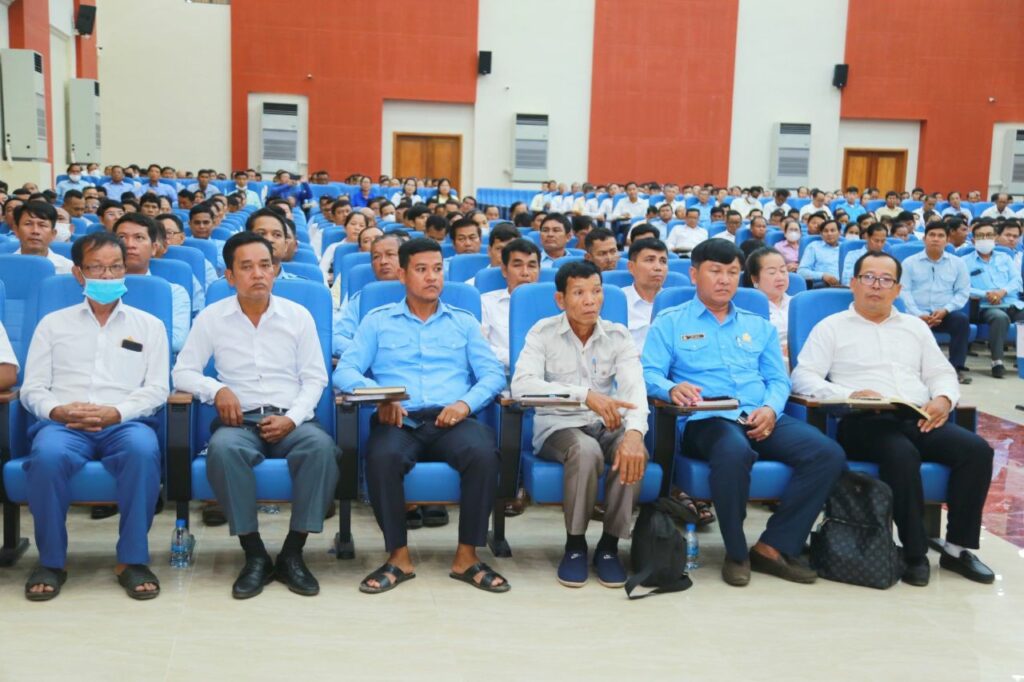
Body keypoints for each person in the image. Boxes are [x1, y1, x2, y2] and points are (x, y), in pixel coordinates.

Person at [642, 239, 844, 587]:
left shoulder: (758, 325)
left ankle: (773, 546)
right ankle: (736, 553)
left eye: (732, 272)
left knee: (827, 453)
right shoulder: (670, 322)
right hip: (707, 420)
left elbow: (777, 379)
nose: (724, 280)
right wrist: (671, 388)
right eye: (715, 271)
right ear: (694, 275)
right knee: (733, 451)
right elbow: (648, 373)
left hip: (760, 415)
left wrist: (770, 409)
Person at [791, 251, 995, 586]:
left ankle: (957, 549)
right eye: (869, 277)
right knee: (901, 454)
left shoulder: (914, 327)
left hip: (916, 416)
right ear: (854, 283)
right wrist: (848, 393)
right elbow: (803, 377)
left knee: (976, 450)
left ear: (898, 289)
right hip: (862, 421)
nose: (876, 285)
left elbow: (941, 372)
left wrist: (943, 398)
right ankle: (914, 553)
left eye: (886, 280)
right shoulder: (831, 327)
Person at [333, 238, 509, 595]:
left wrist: (465, 404)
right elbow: (345, 371)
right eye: (422, 269)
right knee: (382, 457)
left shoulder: (463, 322)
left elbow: (492, 375)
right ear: (402, 275)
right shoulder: (378, 321)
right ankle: (398, 558)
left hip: (452, 418)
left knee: (483, 453)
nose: (432, 277)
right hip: (400, 419)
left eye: (438, 269)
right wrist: (383, 396)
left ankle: (467, 557)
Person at [172, 232, 339, 599]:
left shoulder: (297, 316)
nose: (258, 274)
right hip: (240, 422)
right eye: (246, 267)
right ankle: (255, 554)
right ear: (230, 276)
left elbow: (315, 378)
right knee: (223, 450)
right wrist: (216, 389)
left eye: (265, 265)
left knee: (321, 448)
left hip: (292, 418)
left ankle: (293, 553)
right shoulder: (212, 318)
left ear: (276, 270)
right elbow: (182, 372)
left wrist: (292, 418)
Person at [21, 231, 169, 601]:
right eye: (97, 268)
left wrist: (116, 412)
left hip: (125, 422)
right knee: (47, 457)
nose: (107, 276)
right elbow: (32, 387)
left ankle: (132, 560)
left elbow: (156, 389)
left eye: (115, 267)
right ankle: (51, 562)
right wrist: (57, 410)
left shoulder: (149, 325)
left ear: (125, 271)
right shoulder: (53, 324)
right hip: (65, 423)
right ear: (78, 273)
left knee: (142, 451)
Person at [511, 260, 647, 588]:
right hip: (558, 428)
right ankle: (575, 545)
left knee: (632, 449)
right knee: (586, 451)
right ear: (561, 299)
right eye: (579, 293)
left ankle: (610, 546)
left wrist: (634, 433)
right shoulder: (543, 333)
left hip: (606, 424)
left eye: (596, 291)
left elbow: (635, 390)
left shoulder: (618, 335)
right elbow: (521, 386)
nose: (590, 300)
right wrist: (583, 395)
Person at [898, 223, 972, 383]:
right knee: (902, 321)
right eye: (932, 235)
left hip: (944, 314)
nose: (936, 239)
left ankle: (956, 368)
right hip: (915, 314)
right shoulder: (909, 263)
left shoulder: (958, 264)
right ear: (924, 239)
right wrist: (918, 314)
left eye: (940, 236)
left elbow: (962, 292)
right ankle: (911, 369)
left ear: (947, 240)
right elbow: (904, 291)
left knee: (961, 320)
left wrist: (946, 310)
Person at [113, 213, 190, 353]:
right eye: (122, 237)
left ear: (154, 248)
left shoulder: (173, 292)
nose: (129, 245)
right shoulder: (97, 287)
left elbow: (175, 342)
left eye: (139, 238)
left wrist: (114, 340)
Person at [962, 222, 1024, 378]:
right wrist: (986, 294)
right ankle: (997, 362)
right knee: (999, 317)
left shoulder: (1005, 258)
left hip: (1011, 302)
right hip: (985, 306)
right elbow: (963, 287)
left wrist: (1002, 292)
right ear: (973, 240)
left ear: (995, 238)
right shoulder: (964, 261)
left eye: (989, 235)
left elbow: (1017, 280)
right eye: (980, 236)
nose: (985, 239)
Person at [332, 233, 404, 356]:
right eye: (376, 257)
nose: (383, 261)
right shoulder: (361, 299)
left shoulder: (422, 294)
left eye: (390, 254)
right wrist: (368, 352)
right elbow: (337, 338)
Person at [481, 238, 541, 370]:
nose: (525, 273)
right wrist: (520, 359)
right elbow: (481, 346)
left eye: (531, 266)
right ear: (504, 270)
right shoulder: (486, 303)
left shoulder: (553, 304)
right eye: (517, 265)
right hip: (503, 375)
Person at [747, 247, 792, 361]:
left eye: (783, 271)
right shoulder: (747, 309)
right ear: (755, 279)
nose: (780, 277)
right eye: (772, 272)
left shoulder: (798, 303)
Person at [623, 238, 669, 349]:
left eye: (663, 261)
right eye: (650, 260)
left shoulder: (675, 302)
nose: (658, 267)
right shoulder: (618, 300)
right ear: (631, 267)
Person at [11, 201, 74, 274]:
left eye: (42, 225)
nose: (35, 231)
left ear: (53, 234)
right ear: (16, 231)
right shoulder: (4, 265)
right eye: (28, 224)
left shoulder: (69, 268)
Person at [797, 218, 841, 287]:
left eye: (832, 230)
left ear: (839, 233)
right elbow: (801, 271)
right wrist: (823, 275)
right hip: (823, 285)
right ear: (821, 234)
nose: (829, 234)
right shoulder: (814, 247)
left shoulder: (846, 248)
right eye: (825, 231)